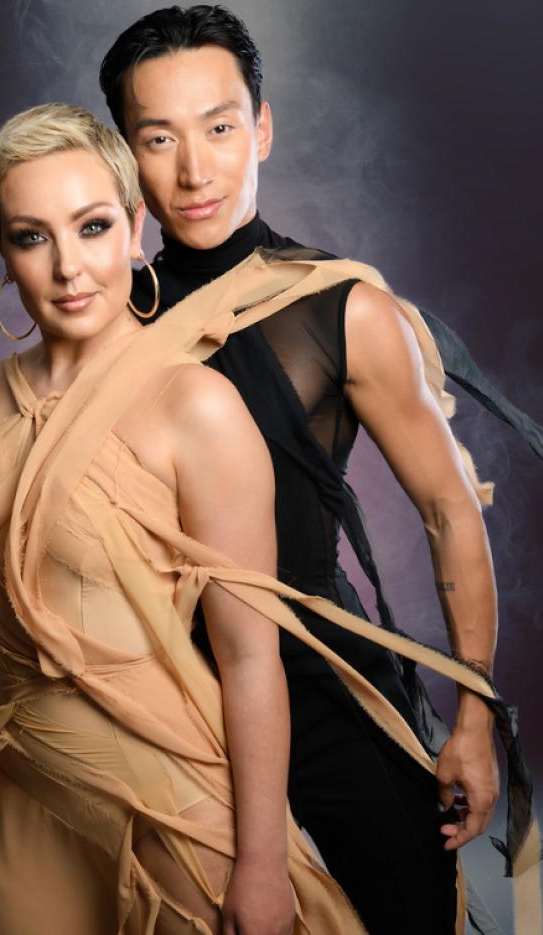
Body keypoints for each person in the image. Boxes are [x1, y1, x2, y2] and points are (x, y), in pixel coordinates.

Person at [0, 103, 536, 935]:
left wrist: (256, 863)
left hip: (168, 795)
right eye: (32, 237)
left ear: (135, 226)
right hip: (20, 790)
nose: (69, 267)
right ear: (1, 248)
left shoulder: (197, 405)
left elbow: (250, 658)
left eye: (93, 226)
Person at [98, 7, 543, 934]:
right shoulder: (100, 314)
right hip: (149, 685)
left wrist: (471, 717)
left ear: (260, 127)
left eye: (220, 128)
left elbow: (447, 509)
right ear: (125, 153)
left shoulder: (341, 306)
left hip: (317, 674)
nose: (194, 168)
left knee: (406, 908)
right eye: (158, 137)